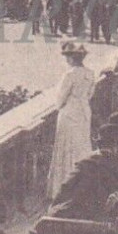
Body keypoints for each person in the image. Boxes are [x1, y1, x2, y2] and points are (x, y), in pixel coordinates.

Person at [49, 113, 118, 220]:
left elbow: (64, 191)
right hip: (82, 219)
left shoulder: (87, 162)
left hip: (69, 218)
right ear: (117, 146)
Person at [47, 41, 96, 199]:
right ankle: (83, 186)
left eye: (68, 56)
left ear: (72, 58)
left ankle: (63, 188)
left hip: (69, 114)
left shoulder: (69, 75)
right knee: (81, 147)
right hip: (83, 113)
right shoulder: (90, 73)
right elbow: (89, 94)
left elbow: (60, 99)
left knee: (66, 148)